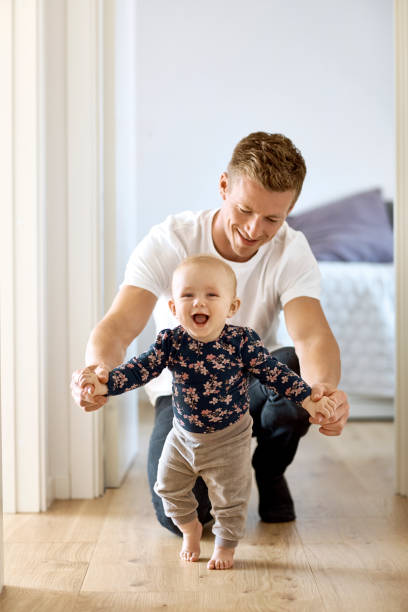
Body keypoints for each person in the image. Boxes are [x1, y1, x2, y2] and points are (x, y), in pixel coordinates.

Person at [71, 131, 349, 536]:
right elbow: (120, 324)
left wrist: (325, 392)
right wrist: (97, 373)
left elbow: (311, 335)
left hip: (249, 386)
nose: (255, 229)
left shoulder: (291, 250)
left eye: (273, 218)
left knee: (291, 365)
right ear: (223, 186)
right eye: (245, 209)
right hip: (181, 398)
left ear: (290, 208)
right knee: (178, 517)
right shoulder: (171, 240)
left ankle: (269, 471)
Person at [78, 255, 336, 570]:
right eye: (187, 295)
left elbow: (275, 374)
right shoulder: (170, 342)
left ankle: (226, 545)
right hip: (183, 435)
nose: (199, 302)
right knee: (167, 488)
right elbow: (137, 370)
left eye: (211, 295)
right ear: (174, 308)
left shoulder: (241, 341)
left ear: (231, 307)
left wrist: (310, 399)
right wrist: (102, 384)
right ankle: (191, 529)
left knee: (230, 500)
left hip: (229, 438)